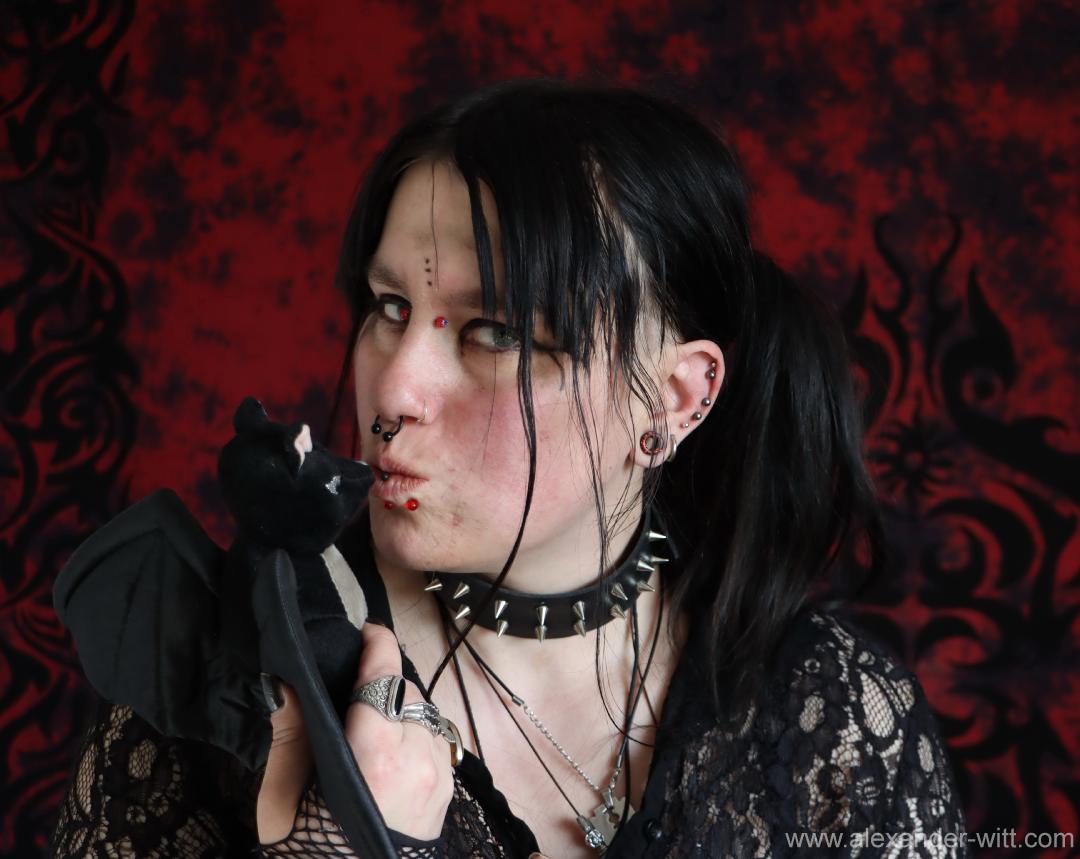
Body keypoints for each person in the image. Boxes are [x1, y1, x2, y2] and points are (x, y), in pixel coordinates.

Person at [50, 77, 968, 858]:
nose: (394, 390)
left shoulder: (833, 721)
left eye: (494, 331)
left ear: (672, 400)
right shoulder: (223, 689)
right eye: (389, 306)